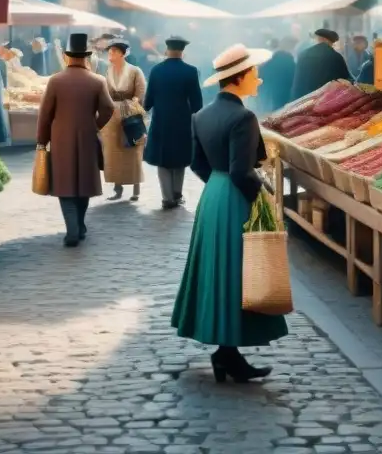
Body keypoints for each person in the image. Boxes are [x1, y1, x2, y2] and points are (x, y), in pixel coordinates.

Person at [171, 43, 288, 382]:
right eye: (255, 73)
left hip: (214, 197)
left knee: (218, 270)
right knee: (238, 273)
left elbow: (196, 162)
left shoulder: (201, 115)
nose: (259, 80)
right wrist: (263, 199)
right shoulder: (243, 117)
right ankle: (228, 354)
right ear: (239, 78)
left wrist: (217, 186)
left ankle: (226, 354)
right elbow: (242, 170)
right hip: (235, 196)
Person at [36, 34, 115, 247]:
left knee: (65, 185)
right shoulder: (98, 81)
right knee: (84, 184)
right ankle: (79, 225)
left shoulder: (55, 81)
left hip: (61, 139)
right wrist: (95, 125)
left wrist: (42, 141)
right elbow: (108, 109)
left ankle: (73, 230)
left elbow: (45, 115)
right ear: (86, 57)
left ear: (67, 56)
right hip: (88, 137)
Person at [143, 36, 203, 209]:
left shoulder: (156, 70)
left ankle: (167, 197)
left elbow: (148, 101)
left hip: (161, 120)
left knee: (163, 160)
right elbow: (197, 103)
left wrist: (142, 109)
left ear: (166, 50)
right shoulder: (191, 71)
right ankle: (177, 193)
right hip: (182, 122)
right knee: (180, 158)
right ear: (182, 51)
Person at [102, 38, 147, 201]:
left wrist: (134, 101)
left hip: (130, 112)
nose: (110, 54)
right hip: (112, 112)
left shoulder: (135, 71)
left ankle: (136, 188)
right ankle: (117, 187)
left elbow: (141, 90)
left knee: (132, 148)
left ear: (122, 53)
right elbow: (105, 90)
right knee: (113, 151)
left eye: (114, 51)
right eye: (110, 51)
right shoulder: (108, 71)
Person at [290, 28, 351, 100]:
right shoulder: (336, 56)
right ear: (327, 41)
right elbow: (345, 79)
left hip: (304, 99)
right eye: (332, 44)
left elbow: (297, 82)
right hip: (325, 101)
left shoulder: (303, 54)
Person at [258, 37, 296, 112]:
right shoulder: (290, 62)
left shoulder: (265, 63)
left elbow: (260, 82)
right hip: (286, 99)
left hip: (269, 101)